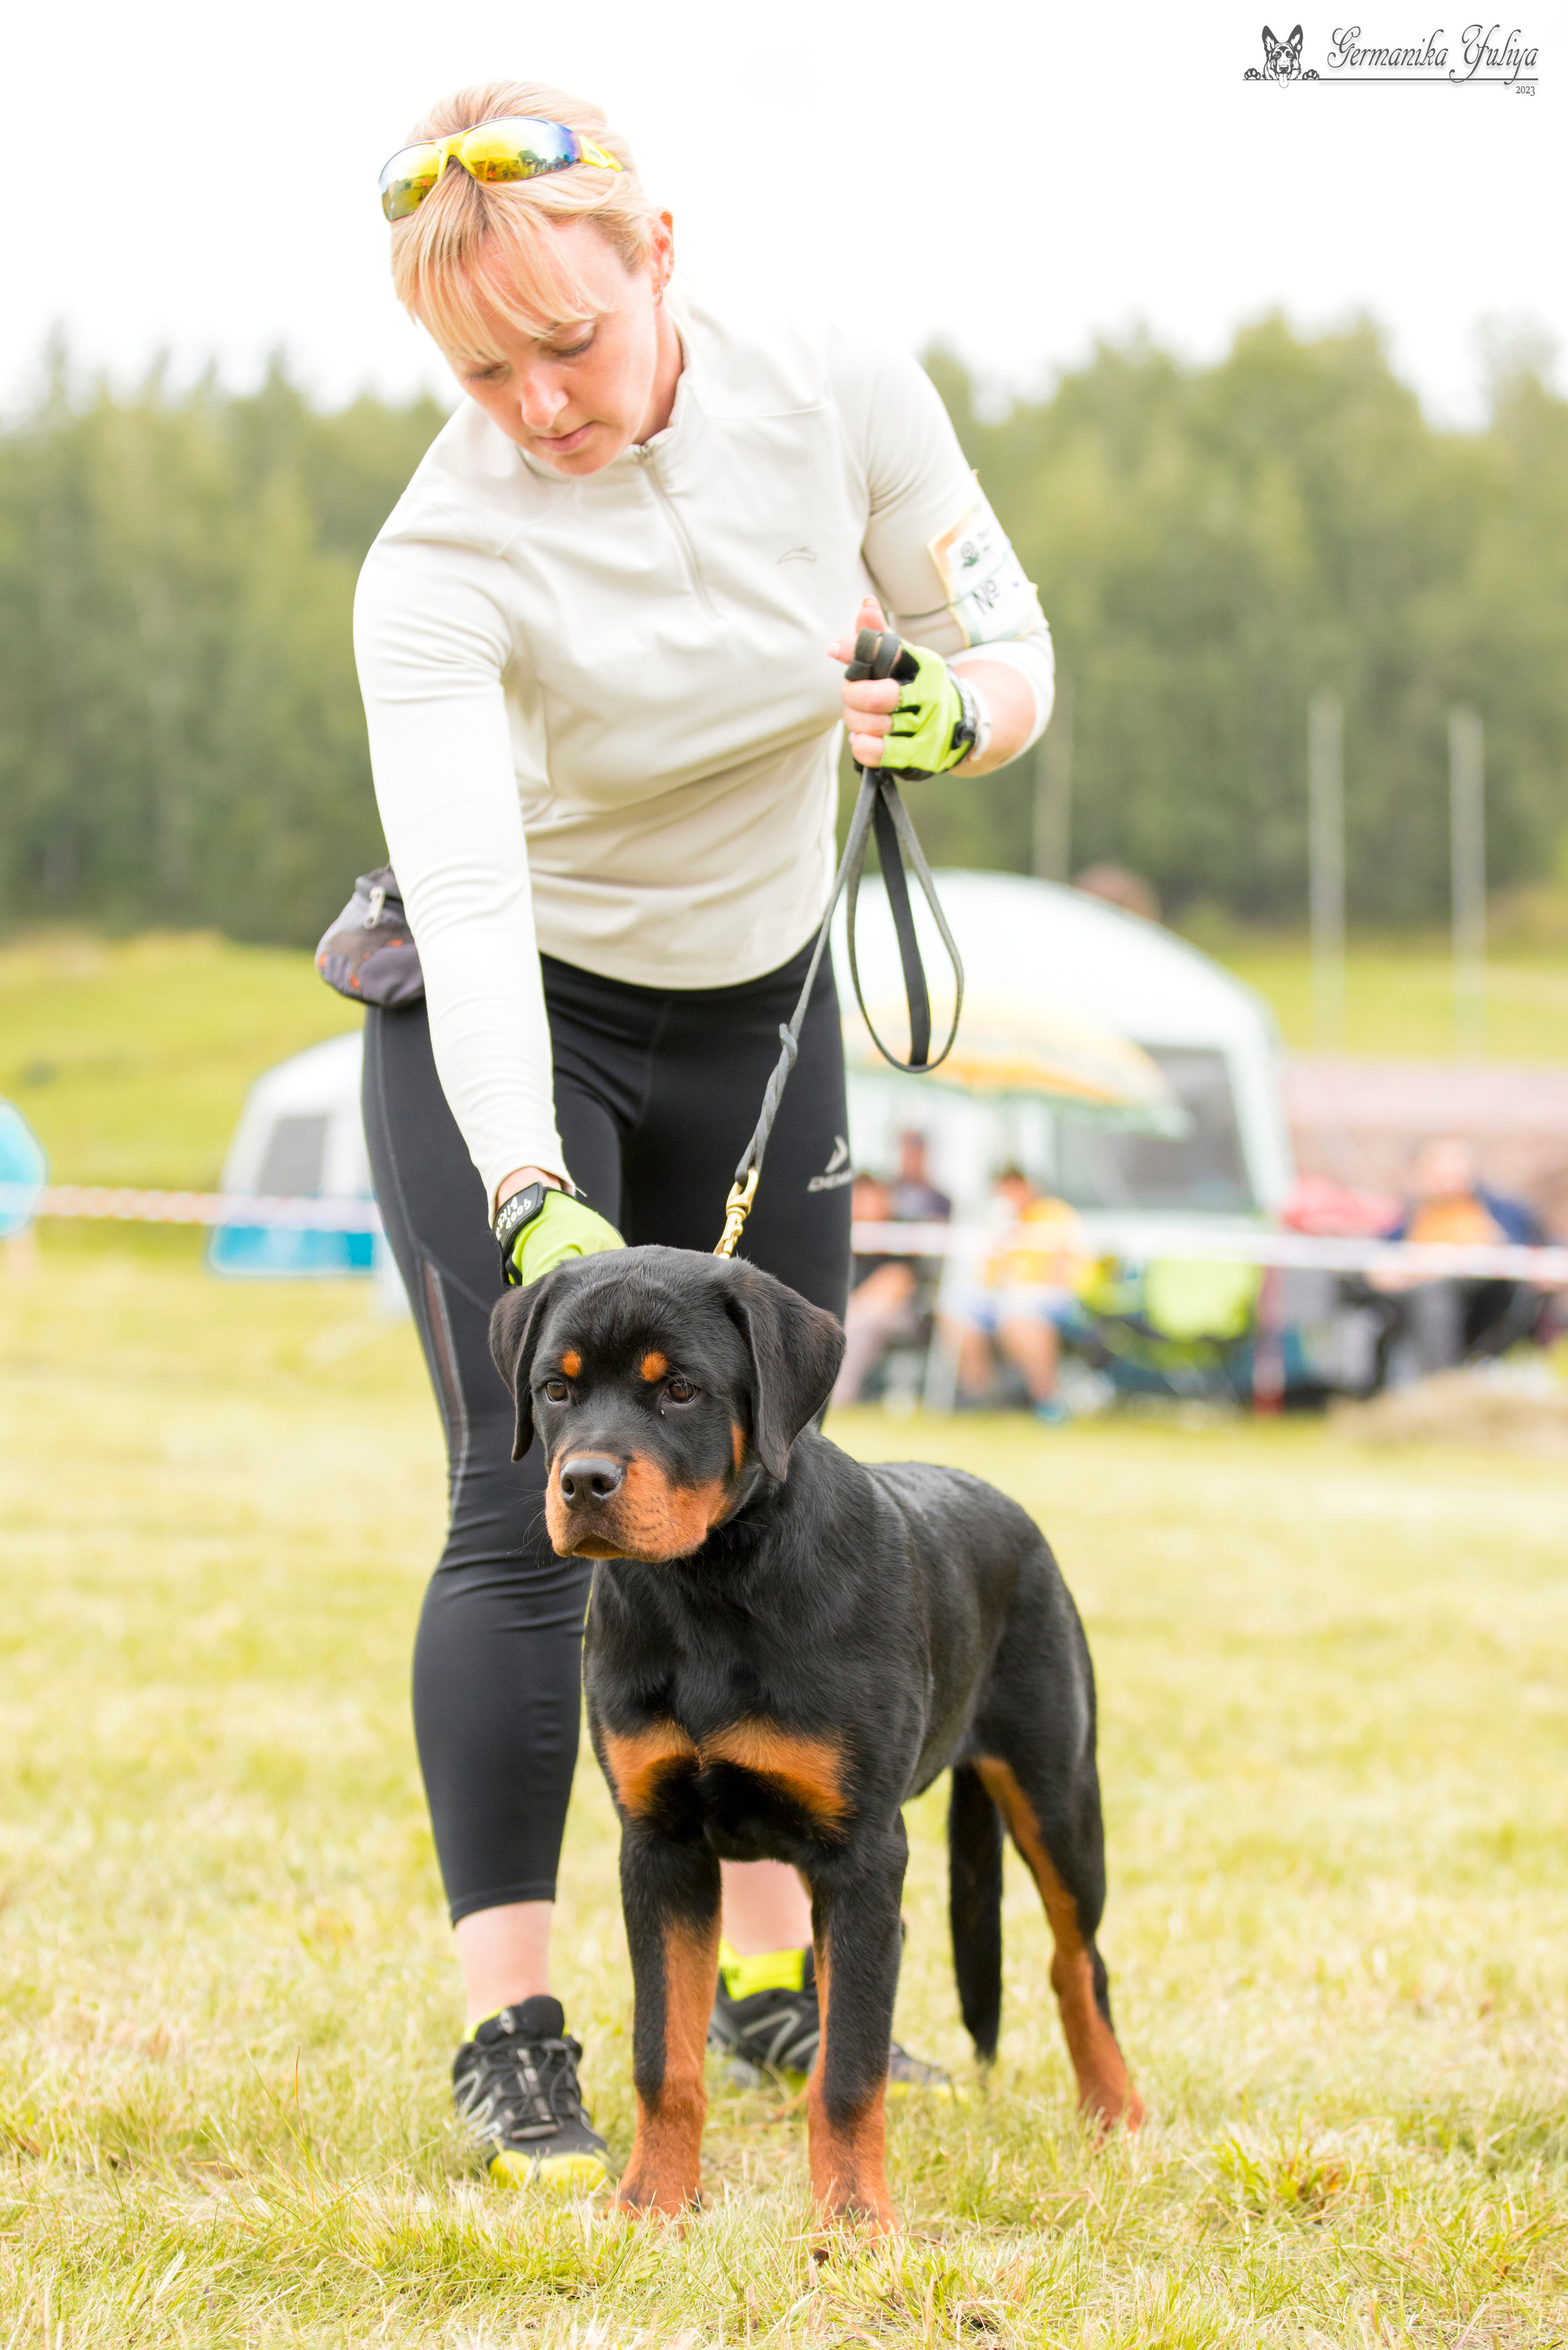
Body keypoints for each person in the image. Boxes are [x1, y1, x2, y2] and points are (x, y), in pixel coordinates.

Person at [352, 82, 1056, 2188]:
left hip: (760, 992)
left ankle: (775, 1989)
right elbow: (472, 906)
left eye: (567, 345)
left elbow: (1006, 648)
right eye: (485, 371)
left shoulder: (835, 387)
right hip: (516, 1009)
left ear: (659, 255)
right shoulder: (438, 557)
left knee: (783, 1487)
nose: (538, 402)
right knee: (524, 1506)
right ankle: (520, 2029)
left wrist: (956, 714)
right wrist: (527, 1186)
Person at [1373, 1137, 1545, 1383]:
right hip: (1422, 1302)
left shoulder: (1501, 1211)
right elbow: (1383, 1256)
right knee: (1428, 1298)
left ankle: (1445, 1383)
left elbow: (1522, 1254)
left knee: (1434, 1297)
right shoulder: (1414, 1214)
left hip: (1490, 1302)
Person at [939, 1169, 1087, 1422]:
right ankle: (982, 1396)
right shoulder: (999, 1221)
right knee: (956, 1306)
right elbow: (987, 1276)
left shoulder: (1056, 1214)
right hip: (1003, 1297)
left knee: (1020, 1313)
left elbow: (1068, 1270)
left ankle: (1048, 1400)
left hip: (1048, 1297)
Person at [832, 1140, 952, 1407]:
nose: (865, 1205)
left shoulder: (899, 1232)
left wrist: (857, 1304)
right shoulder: (847, 1236)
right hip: (856, 1307)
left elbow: (899, 1279)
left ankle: (838, 1399)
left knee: (860, 1321)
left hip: (902, 1313)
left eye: (871, 1196)